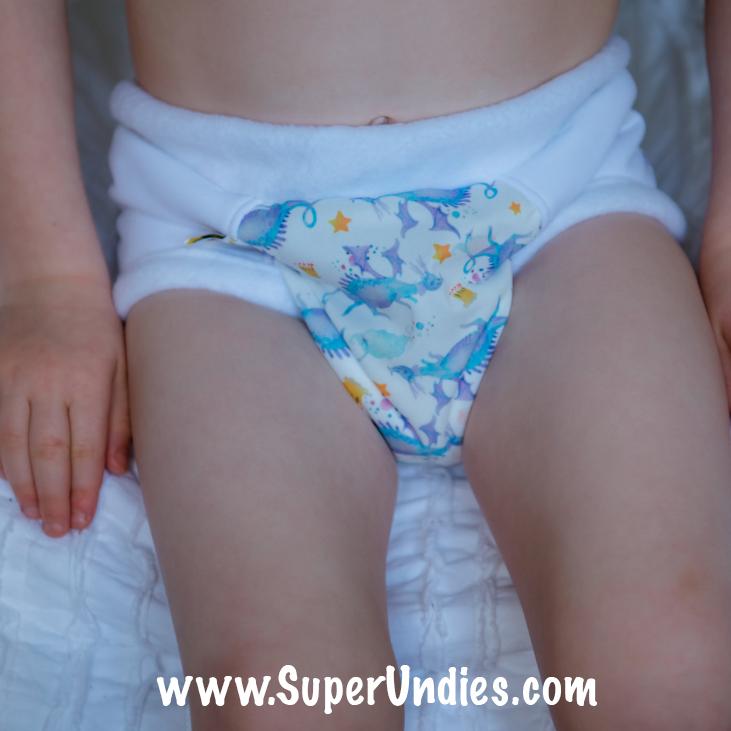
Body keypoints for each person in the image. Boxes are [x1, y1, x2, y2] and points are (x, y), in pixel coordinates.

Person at [1, 1, 730, 728]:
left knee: (670, 662)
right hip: (230, 244)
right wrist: (46, 280)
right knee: (280, 693)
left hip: (558, 201)